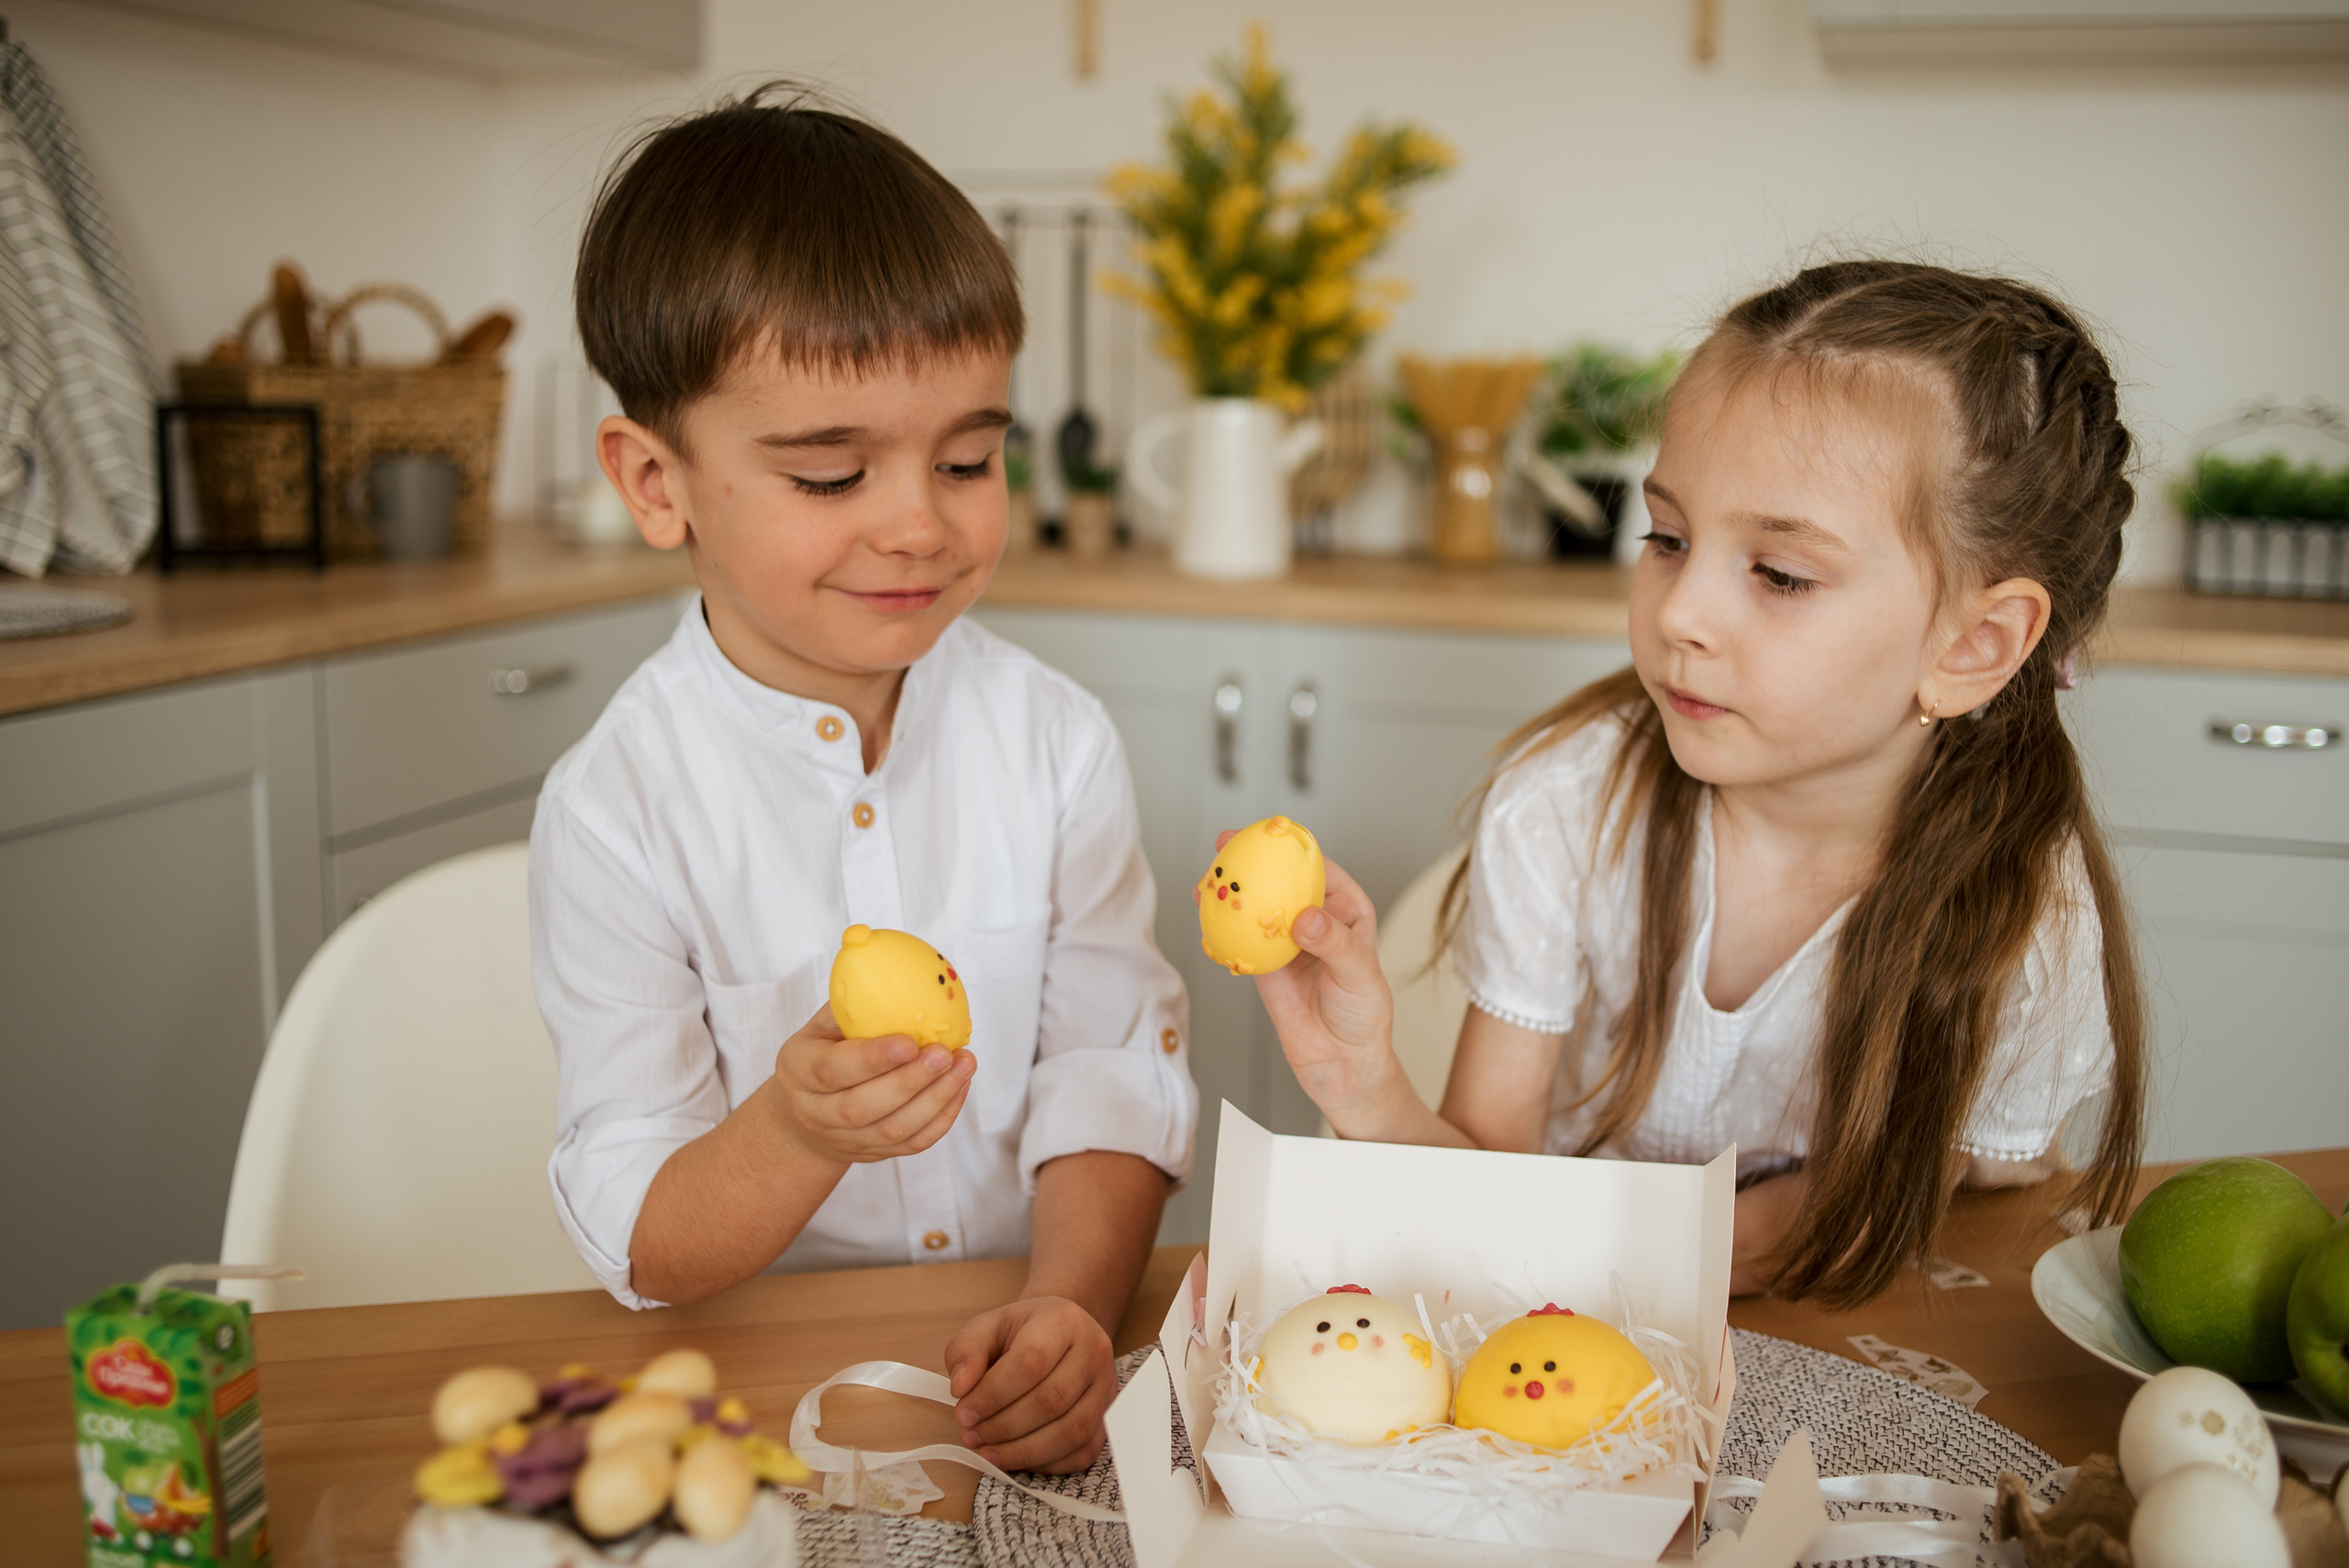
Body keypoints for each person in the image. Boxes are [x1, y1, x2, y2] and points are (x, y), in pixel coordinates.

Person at [1252, 261, 2147, 1306]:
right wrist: (1364, 1088)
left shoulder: (2028, 919)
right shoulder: (1564, 805)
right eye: (1667, 538)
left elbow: (1881, 1226)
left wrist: (1559, 1238)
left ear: (1974, 644)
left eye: (1778, 574)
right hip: (1583, 1318)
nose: (1679, 612)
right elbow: (1483, 1183)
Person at [532, 86, 1197, 1473]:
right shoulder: (619, 808)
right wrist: (789, 1128)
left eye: (969, 456)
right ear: (657, 483)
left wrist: (1070, 1304)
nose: (920, 521)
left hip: (1027, 1358)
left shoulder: (1054, 740)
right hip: (767, 1398)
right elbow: (640, 1227)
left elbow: (1104, 1069)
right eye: (831, 474)